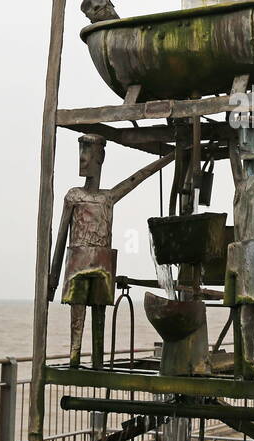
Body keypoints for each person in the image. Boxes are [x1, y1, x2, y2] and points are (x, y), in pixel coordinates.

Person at [49, 135, 169, 367]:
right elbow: (62, 236)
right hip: (78, 262)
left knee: (99, 310)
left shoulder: (108, 198)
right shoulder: (74, 196)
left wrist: (169, 157)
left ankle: (97, 360)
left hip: (102, 263)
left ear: (101, 157)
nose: (83, 160)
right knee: (77, 310)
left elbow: (138, 177)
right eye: (81, 154)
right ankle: (75, 357)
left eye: (88, 153)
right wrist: (53, 278)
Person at [224, 127, 254, 379]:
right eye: (242, 138)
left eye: (250, 137)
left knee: (248, 311)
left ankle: (249, 363)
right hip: (239, 251)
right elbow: (234, 163)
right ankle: (242, 364)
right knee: (238, 308)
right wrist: (230, 135)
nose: (245, 142)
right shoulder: (241, 184)